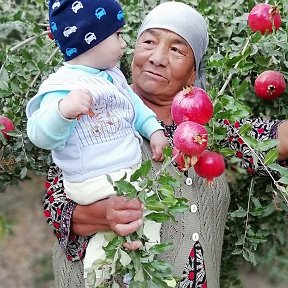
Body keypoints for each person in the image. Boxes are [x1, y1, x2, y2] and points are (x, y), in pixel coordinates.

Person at [42, 1, 288, 288]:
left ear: (192, 73)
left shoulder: (207, 131)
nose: (157, 57)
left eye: (176, 49)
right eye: (148, 42)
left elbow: (276, 139)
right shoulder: (96, 112)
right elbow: (58, 207)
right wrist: (107, 214)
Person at [26, 0, 167, 284]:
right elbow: (39, 134)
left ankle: (142, 269)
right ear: (90, 41)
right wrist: (62, 112)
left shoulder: (112, 77)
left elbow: (134, 107)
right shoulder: (61, 85)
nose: (124, 43)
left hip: (127, 176)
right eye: (117, 35)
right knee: (108, 237)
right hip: (92, 180)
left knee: (146, 223)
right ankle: (101, 278)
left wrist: (153, 129)